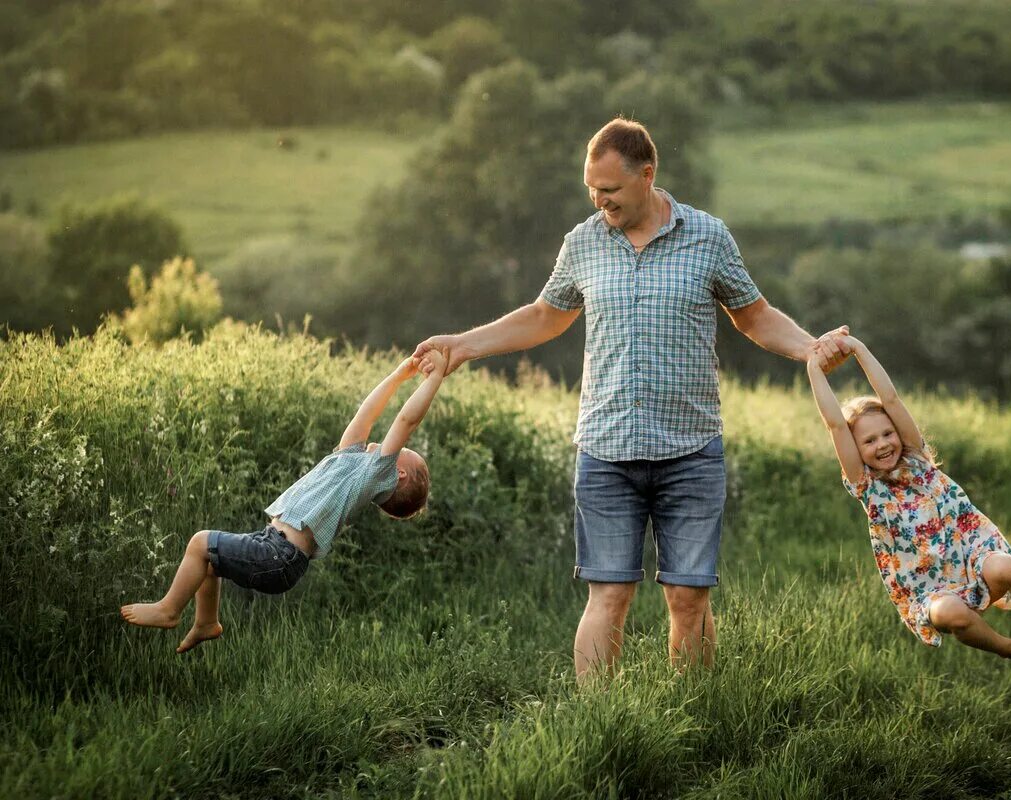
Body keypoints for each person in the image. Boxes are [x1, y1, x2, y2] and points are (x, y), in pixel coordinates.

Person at [413, 117, 850, 679]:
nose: (601, 202)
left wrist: (811, 349)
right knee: (609, 596)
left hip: (691, 450)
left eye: (611, 190)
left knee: (689, 599)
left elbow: (754, 316)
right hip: (606, 450)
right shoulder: (584, 242)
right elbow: (545, 317)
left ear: (648, 175)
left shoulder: (708, 237)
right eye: (592, 190)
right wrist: (461, 346)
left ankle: (693, 718)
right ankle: (600, 727)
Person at [120, 349, 447, 653]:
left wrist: (434, 377)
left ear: (398, 474)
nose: (394, 445)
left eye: (404, 452)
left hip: (280, 556)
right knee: (209, 559)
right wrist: (399, 375)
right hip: (273, 545)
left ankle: (169, 610)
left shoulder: (375, 474)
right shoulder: (351, 460)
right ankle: (206, 623)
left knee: (200, 542)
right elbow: (366, 413)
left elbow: (406, 420)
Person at [805, 332, 1011, 658]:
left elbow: (891, 399)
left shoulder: (917, 460)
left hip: (972, 557)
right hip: (930, 591)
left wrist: (858, 348)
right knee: (952, 615)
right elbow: (836, 425)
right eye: (869, 441)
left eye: (887, 433)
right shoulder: (867, 487)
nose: (882, 444)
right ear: (855, 450)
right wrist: (814, 366)